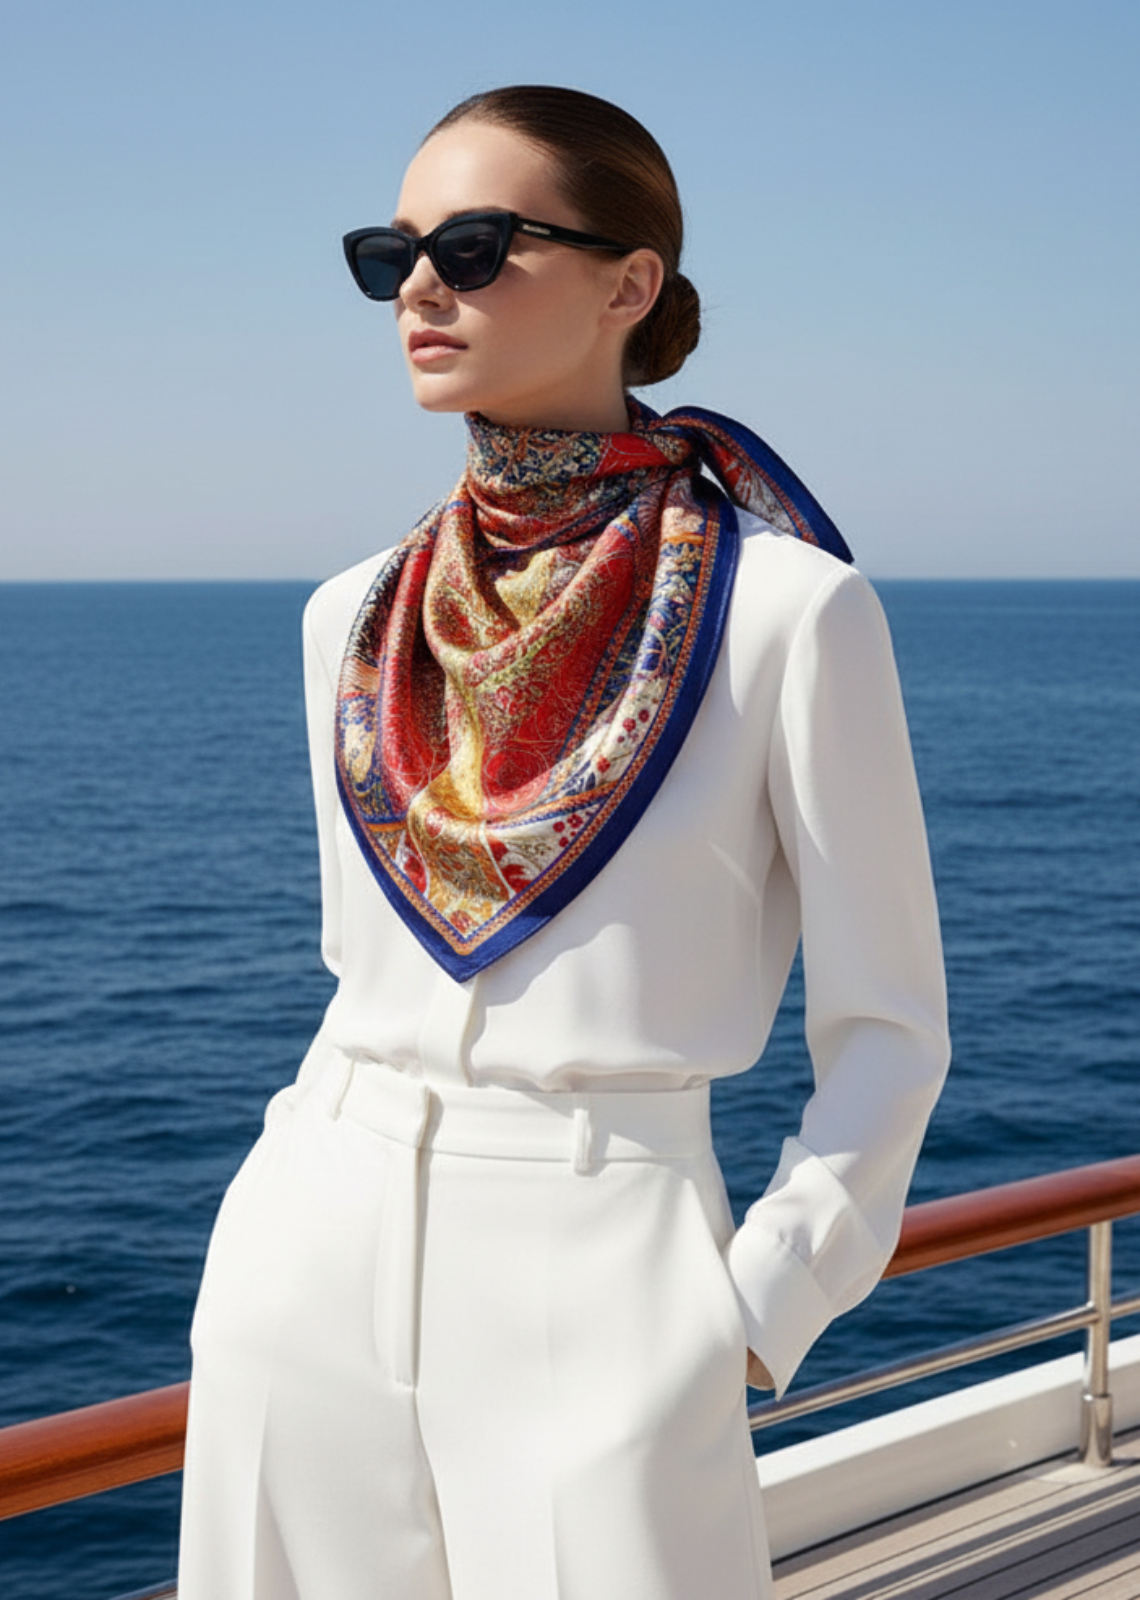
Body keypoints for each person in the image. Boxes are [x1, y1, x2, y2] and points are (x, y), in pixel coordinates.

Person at [177, 85, 949, 1600]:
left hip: (601, 1253)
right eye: (388, 251)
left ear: (628, 283)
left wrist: (748, 1308)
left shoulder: (788, 612)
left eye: (471, 245)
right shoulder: (350, 615)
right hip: (308, 1231)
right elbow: (358, 965)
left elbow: (889, 1028)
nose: (416, 286)